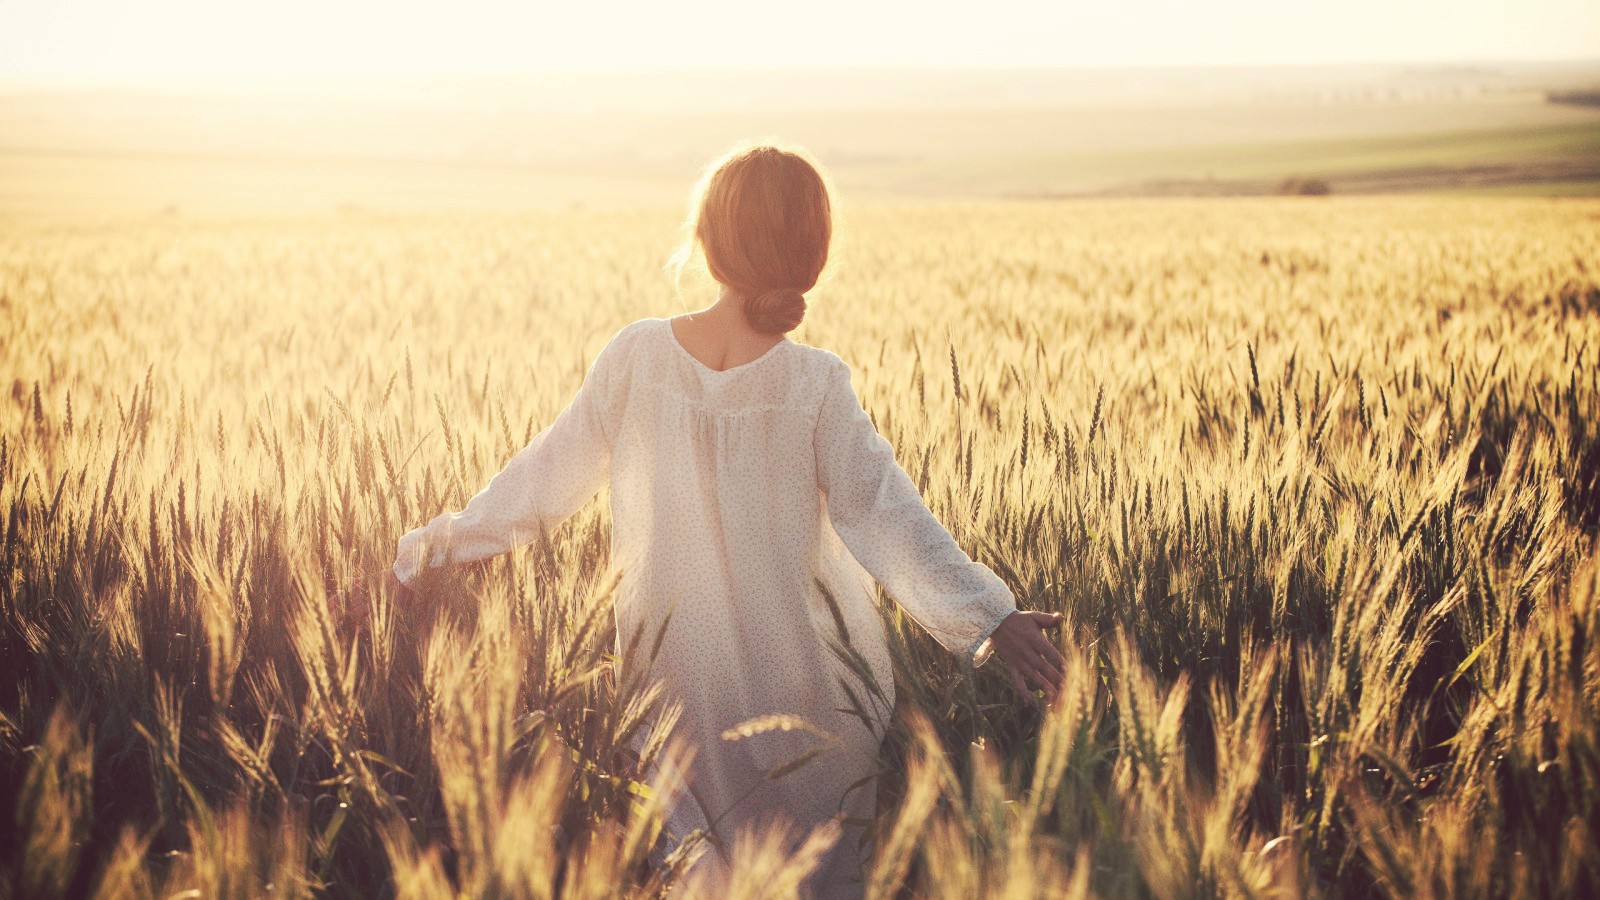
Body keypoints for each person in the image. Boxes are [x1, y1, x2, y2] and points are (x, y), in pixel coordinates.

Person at [378, 139, 1066, 897]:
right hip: (811, 701)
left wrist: (422, 558)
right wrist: (990, 616)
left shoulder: (638, 358)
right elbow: (887, 515)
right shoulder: (814, 384)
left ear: (707, 241)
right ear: (812, 255)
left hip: (673, 694)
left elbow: (538, 484)